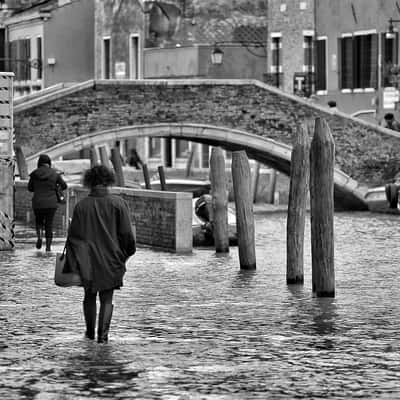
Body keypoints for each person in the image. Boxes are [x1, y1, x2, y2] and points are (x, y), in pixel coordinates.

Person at [65, 165, 136, 343]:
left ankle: (89, 334)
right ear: (108, 181)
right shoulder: (118, 203)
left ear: (89, 182)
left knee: (89, 295)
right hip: (111, 259)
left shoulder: (81, 206)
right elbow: (127, 234)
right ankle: (102, 338)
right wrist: (125, 254)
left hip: (87, 260)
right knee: (107, 297)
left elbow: (73, 236)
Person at [28, 154, 67, 252]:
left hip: (38, 203)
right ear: (49, 163)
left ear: (39, 163)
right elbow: (64, 186)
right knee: (49, 225)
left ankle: (39, 237)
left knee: (39, 222)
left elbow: (30, 188)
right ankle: (48, 247)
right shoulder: (54, 174)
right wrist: (56, 187)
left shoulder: (34, 174)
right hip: (51, 203)